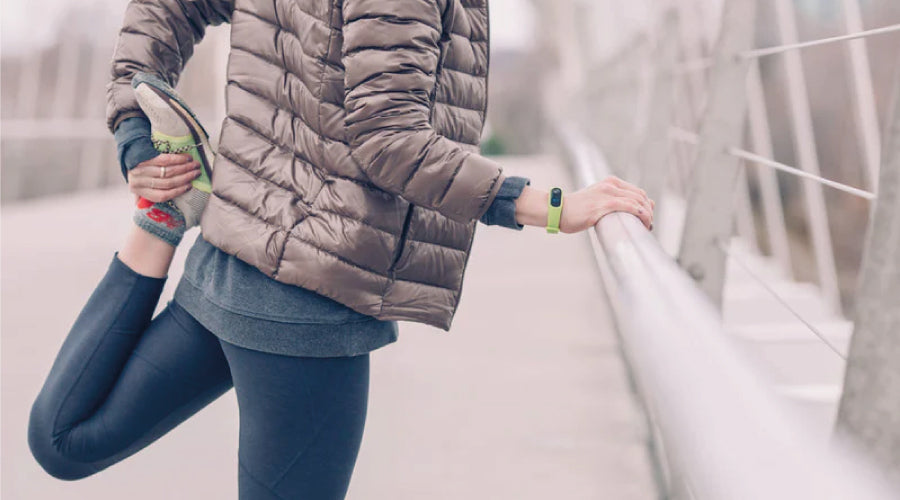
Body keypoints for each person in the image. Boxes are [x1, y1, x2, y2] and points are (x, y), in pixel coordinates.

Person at [27, 0, 655, 498]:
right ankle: (169, 214)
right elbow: (388, 141)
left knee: (66, 438)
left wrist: (134, 127)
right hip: (308, 300)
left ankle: (165, 220)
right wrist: (551, 208)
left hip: (226, 263)